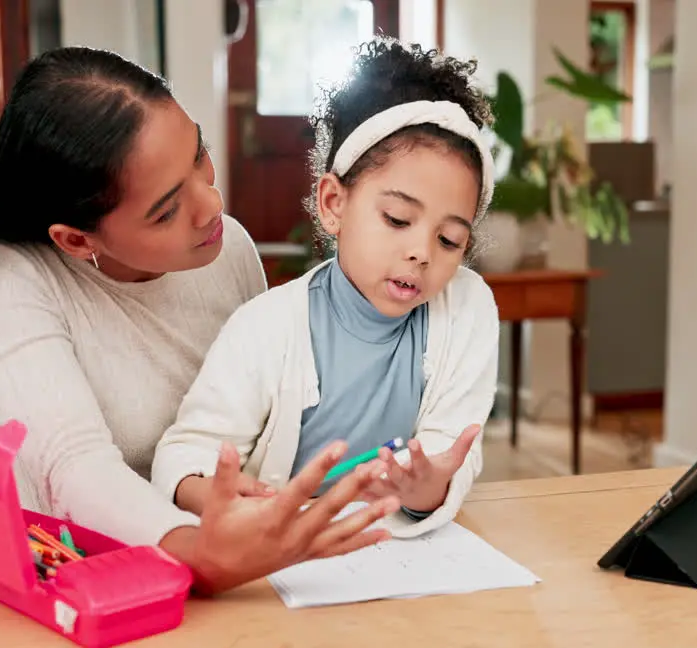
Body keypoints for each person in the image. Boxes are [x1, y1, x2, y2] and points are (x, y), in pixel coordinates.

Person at [0, 46, 398, 596]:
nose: (212, 206)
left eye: (199, 156)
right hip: (88, 578)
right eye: (167, 210)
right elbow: (73, 467)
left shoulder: (228, 248)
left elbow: (267, 412)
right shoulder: (1, 275)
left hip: (236, 566)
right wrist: (205, 554)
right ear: (77, 240)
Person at [152, 38, 500, 537]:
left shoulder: (466, 307)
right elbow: (186, 453)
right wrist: (212, 494)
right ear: (334, 203)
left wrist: (425, 489)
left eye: (450, 239)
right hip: (277, 562)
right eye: (398, 219)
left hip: (394, 553)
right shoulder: (266, 328)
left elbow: (452, 455)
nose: (423, 252)